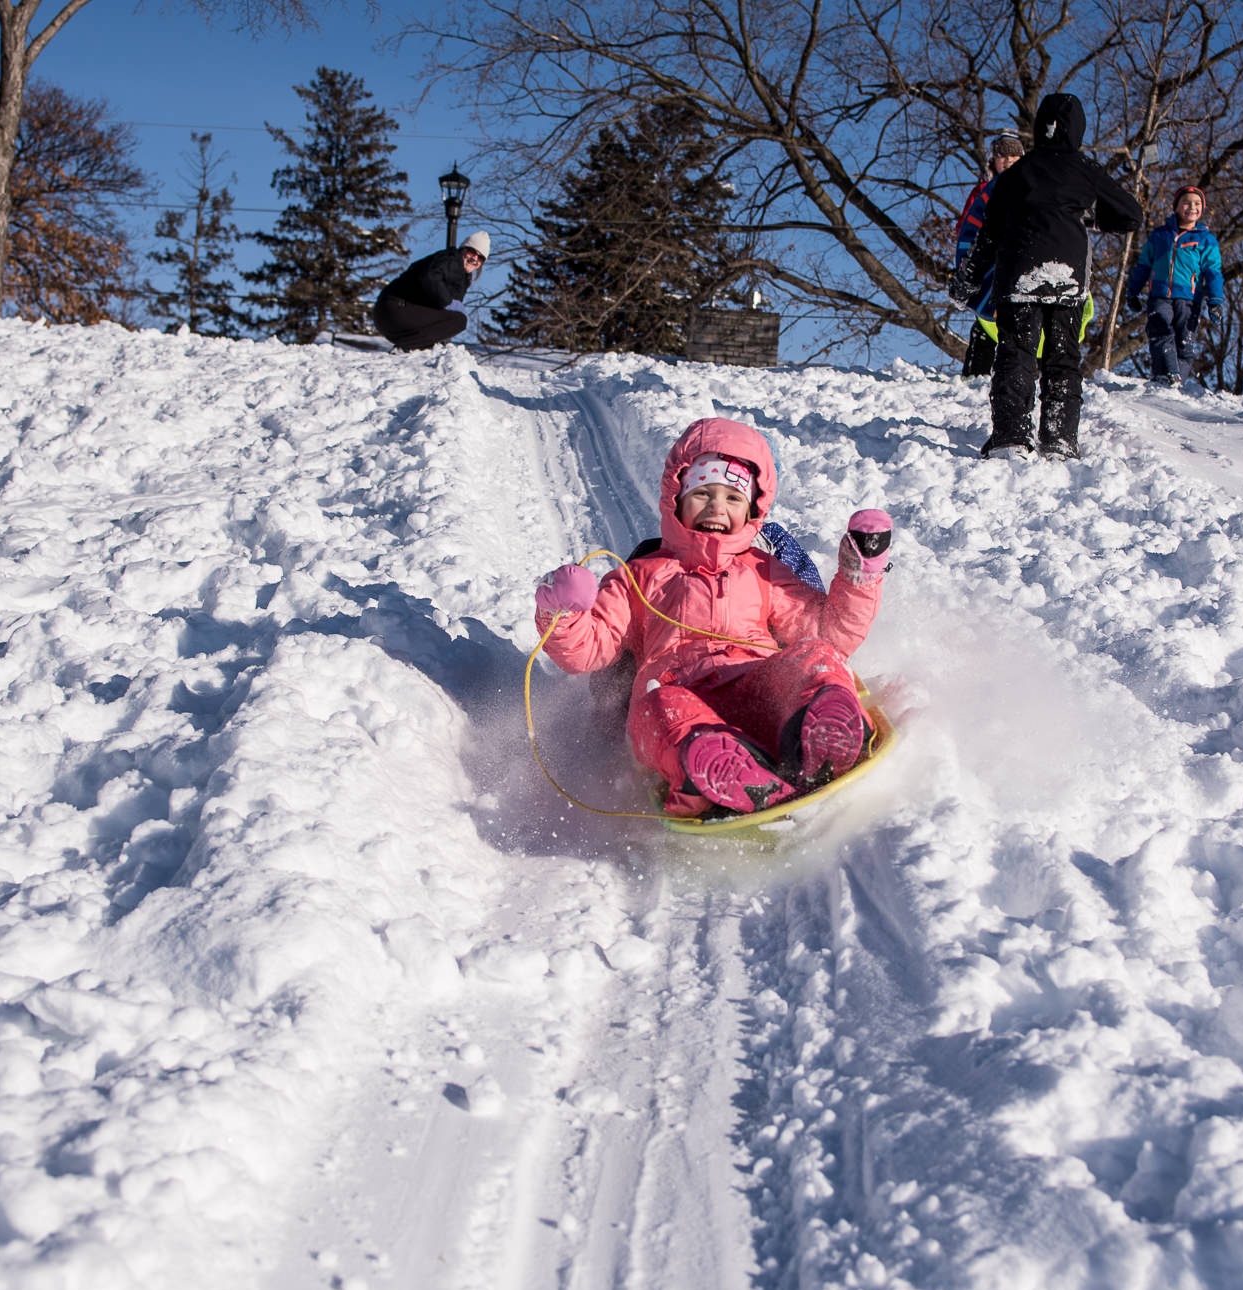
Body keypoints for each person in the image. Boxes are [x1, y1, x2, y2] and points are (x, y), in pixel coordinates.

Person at [532, 418, 891, 816]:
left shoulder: (764, 569)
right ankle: (714, 767)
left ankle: (824, 728)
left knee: (815, 658)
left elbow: (828, 633)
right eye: (703, 493)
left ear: (754, 509)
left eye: (733, 499)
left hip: (758, 683)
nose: (717, 507)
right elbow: (590, 651)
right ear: (676, 498)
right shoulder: (638, 575)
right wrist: (561, 613)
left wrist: (859, 578)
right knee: (658, 704)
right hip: (681, 689)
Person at [950, 92, 1142, 461]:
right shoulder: (1086, 170)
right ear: (1077, 130)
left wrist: (967, 281)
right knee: (1062, 359)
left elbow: (988, 235)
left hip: (1019, 275)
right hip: (1067, 277)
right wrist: (1088, 215)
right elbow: (1131, 215)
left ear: (1040, 128)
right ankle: (1059, 439)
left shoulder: (1015, 175)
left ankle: (1010, 437)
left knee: (1016, 354)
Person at [1123, 185, 1225, 387]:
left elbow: (1213, 271)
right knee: (1159, 329)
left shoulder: (1205, 239)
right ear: (1176, 207)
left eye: (1197, 204)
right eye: (1186, 202)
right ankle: (1167, 375)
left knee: (1184, 342)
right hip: (1160, 295)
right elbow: (1143, 264)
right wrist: (1132, 292)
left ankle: (1175, 383)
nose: (1192, 207)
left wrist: (1215, 300)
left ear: (1202, 209)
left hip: (1189, 299)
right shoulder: (1160, 235)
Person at [953, 133, 1028, 378]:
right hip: (990, 263)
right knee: (986, 324)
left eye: (1014, 156)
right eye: (1002, 156)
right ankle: (976, 376)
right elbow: (966, 226)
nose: (1008, 161)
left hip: (1022, 262)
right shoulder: (983, 191)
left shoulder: (1031, 188)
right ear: (993, 162)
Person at [372, 230, 490, 351]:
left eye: (480, 257)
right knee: (459, 320)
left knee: (453, 320)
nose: (475, 258)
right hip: (394, 308)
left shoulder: (462, 277)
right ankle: (405, 348)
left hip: (391, 314)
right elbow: (429, 276)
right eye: (472, 252)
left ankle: (416, 348)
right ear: (463, 249)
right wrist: (447, 302)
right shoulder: (452, 260)